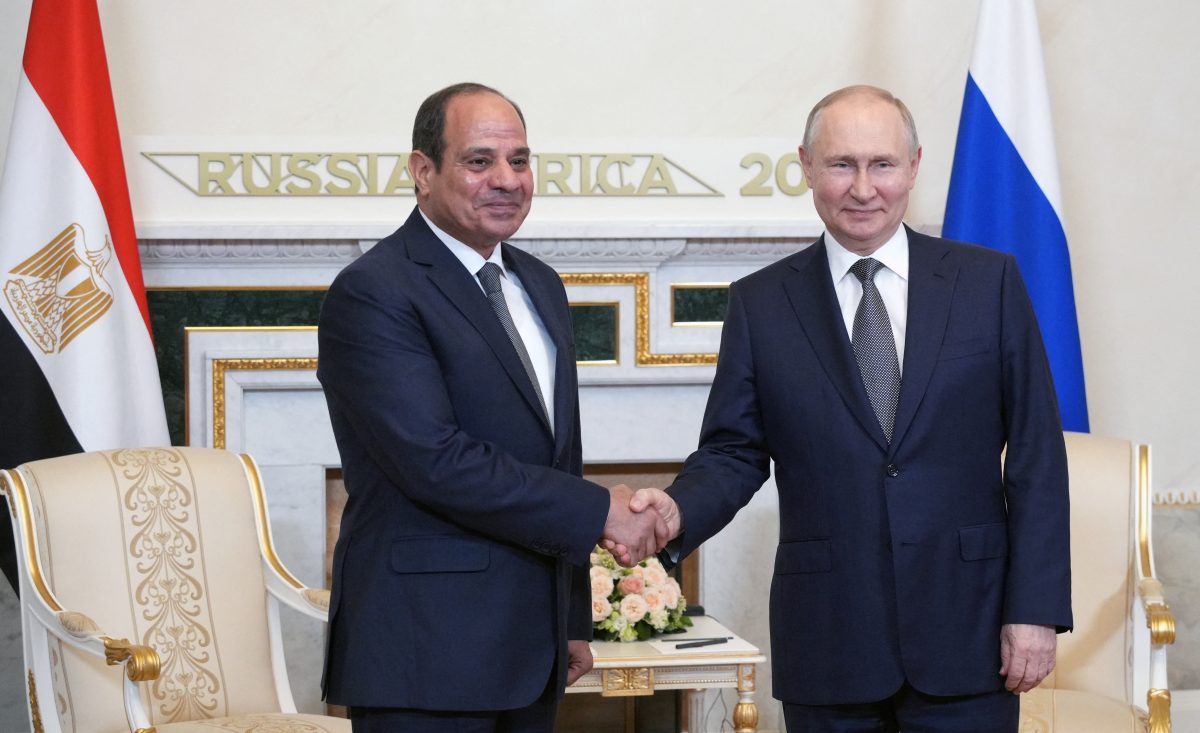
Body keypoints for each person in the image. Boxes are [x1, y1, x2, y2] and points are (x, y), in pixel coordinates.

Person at [632, 85, 1071, 732]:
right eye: (841, 164)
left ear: (914, 166)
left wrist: (1033, 608)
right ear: (806, 167)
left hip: (969, 633)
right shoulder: (761, 304)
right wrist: (677, 509)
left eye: (881, 164)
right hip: (829, 639)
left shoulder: (989, 283)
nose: (863, 188)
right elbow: (733, 453)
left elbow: (1037, 455)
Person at [317, 82, 665, 733]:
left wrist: (569, 616)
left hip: (530, 650)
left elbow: (558, 455)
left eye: (519, 160)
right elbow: (435, 460)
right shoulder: (373, 291)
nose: (506, 179)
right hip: (424, 653)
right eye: (479, 161)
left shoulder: (540, 284)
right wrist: (601, 510)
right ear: (423, 170)